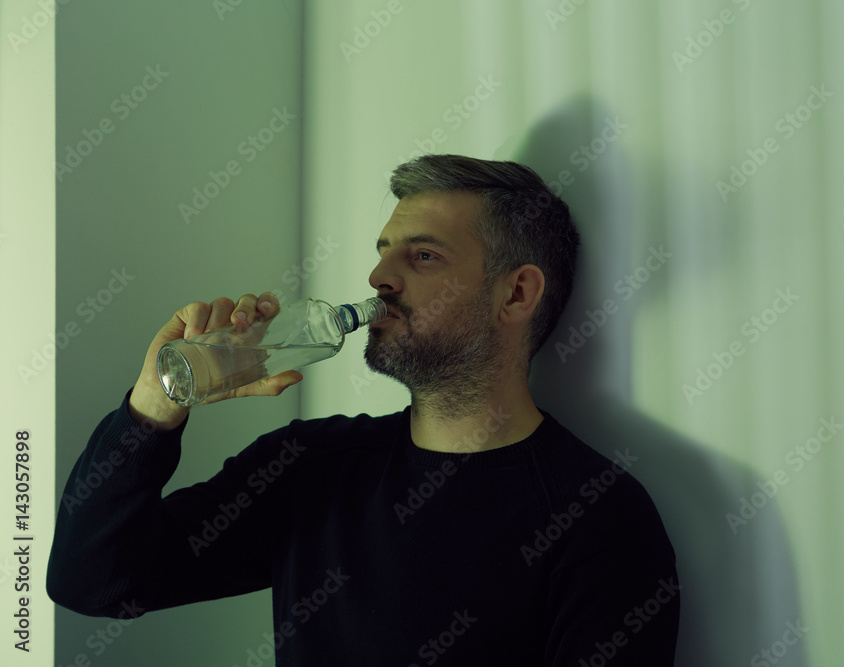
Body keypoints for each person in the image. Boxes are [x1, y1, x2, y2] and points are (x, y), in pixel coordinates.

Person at [47, 154, 680, 665]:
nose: (379, 276)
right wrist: (156, 404)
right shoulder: (309, 469)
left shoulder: (597, 518)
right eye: (383, 251)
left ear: (516, 293)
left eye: (422, 256)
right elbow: (94, 581)